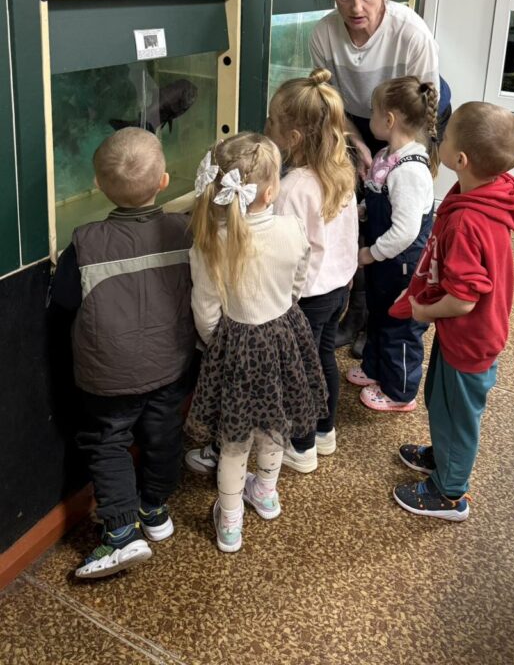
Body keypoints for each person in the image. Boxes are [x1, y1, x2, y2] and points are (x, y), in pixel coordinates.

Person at [49, 127, 195, 579]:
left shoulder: (84, 243)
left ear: (96, 184)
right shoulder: (184, 230)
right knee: (164, 433)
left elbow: (64, 303)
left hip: (108, 375)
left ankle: (120, 532)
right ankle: (155, 509)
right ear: (164, 181)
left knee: (108, 442)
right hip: (170, 364)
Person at [184, 133, 327, 553]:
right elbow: (298, 281)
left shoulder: (209, 241)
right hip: (284, 337)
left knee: (233, 441)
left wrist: (219, 346)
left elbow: (205, 310)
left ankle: (230, 522)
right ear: (269, 192)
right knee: (273, 424)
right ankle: (265, 493)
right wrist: (282, 309)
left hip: (236, 348)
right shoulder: (291, 228)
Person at [390, 102, 514, 520]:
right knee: (440, 399)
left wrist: (423, 311)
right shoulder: (487, 191)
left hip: (469, 334)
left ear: (461, 160)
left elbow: (465, 298)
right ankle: (444, 456)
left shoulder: (468, 221)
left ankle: (450, 492)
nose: (440, 139)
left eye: (445, 137)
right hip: (465, 332)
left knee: (458, 414)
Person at [265, 68, 358, 472]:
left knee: (300, 370)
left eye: (271, 122)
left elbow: (281, 250)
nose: (266, 126)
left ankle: (301, 447)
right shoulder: (341, 172)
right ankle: (324, 431)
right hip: (337, 287)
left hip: (306, 296)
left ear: (293, 137)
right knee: (323, 358)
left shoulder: (292, 188)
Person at [309, 0, 451, 175]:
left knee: (402, 182)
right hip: (360, 119)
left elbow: (423, 110)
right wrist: (358, 143)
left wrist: (394, 158)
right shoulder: (323, 34)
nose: (356, 8)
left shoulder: (412, 33)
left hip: (417, 115)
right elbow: (332, 105)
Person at [345, 77, 437, 411]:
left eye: (373, 112)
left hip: (402, 266)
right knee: (379, 316)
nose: (369, 117)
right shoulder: (387, 157)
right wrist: (363, 210)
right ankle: (375, 368)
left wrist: (370, 253)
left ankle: (400, 392)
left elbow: (405, 231)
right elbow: (382, 200)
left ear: (389, 120)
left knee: (399, 326)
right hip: (386, 263)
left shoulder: (409, 172)